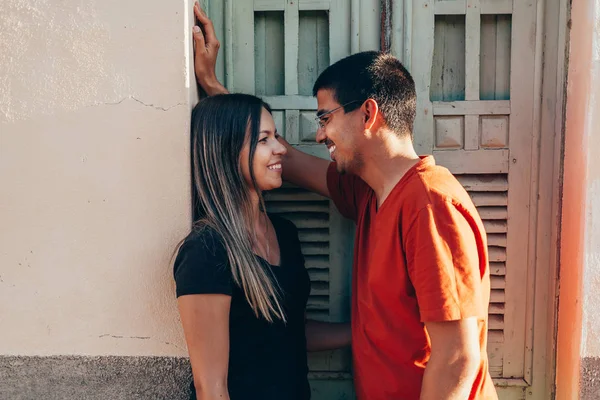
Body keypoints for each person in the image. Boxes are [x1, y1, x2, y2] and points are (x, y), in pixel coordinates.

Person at [191, 3, 499, 399]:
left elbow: (458, 358)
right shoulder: (368, 192)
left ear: (368, 114)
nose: (320, 136)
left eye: (325, 118)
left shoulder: (430, 203)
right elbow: (274, 156)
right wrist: (215, 90)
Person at [174, 93, 351, 400]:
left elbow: (288, 331)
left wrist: (364, 331)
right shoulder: (207, 250)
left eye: (276, 136)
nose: (281, 148)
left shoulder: (284, 233)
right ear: (226, 151)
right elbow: (211, 389)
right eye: (264, 139)